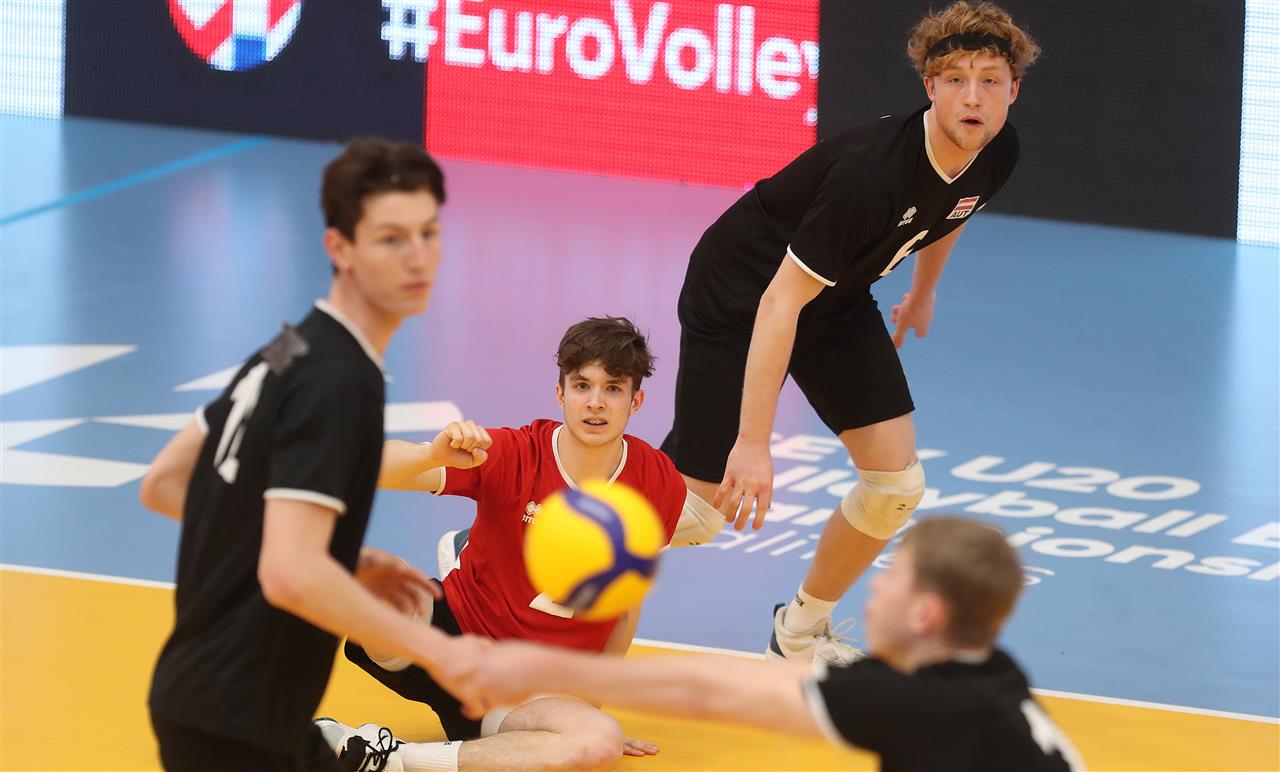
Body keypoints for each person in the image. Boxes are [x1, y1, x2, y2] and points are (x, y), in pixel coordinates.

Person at [657, 0, 1041, 664]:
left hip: (835, 296)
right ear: (930, 86)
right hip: (744, 292)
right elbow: (779, 302)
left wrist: (923, 291)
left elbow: (955, 209)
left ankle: (798, 634)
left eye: (989, 79)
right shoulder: (873, 174)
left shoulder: (997, 149)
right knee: (698, 512)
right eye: (956, 79)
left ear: (1014, 89)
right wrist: (754, 443)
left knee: (895, 489)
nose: (972, 97)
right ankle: (527, 534)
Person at [140, 138, 485, 771]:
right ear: (340, 248)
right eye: (390, 239)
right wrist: (438, 651)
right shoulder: (342, 380)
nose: (418, 257)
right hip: (235, 725)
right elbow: (290, 575)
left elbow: (166, 482)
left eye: (428, 233)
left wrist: (333, 557)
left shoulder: (287, 347)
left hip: (218, 706)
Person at [319, 317, 695, 772]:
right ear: (561, 393)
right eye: (582, 385)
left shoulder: (657, 484)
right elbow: (366, 469)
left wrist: (579, 716)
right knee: (363, 575)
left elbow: (625, 608)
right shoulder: (515, 453)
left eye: (613, 388)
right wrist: (430, 455)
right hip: (447, 640)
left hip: (526, 693)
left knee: (600, 741)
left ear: (636, 400)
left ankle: (390, 759)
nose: (595, 402)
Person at [457, 517, 1086, 772]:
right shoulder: (988, 675)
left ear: (926, 613)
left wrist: (542, 667)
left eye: (892, 575)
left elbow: (705, 692)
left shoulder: (923, 704)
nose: (874, 588)